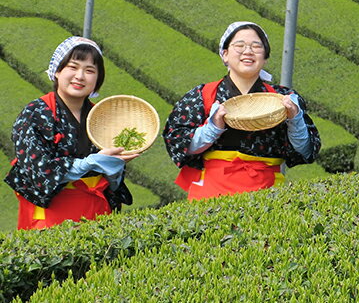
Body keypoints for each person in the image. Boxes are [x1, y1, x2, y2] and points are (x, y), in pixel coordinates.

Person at [163, 21, 321, 200]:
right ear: (224, 54)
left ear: (265, 58)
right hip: (212, 193)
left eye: (256, 46)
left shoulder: (284, 97)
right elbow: (180, 144)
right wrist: (213, 127)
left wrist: (295, 118)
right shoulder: (202, 96)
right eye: (239, 45)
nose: (248, 51)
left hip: (268, 194)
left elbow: (306, 150)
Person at [4, 37, 135, 230]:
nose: (80, 76)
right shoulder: (36, 114)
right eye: (73, 67)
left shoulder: (102, 117)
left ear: (98, 79)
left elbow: (113, 181)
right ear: (57, 71)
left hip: (97, 212)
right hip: (53, 215)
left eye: (90, 70)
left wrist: (115, 167)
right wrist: (89, 163)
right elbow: (39, 173)